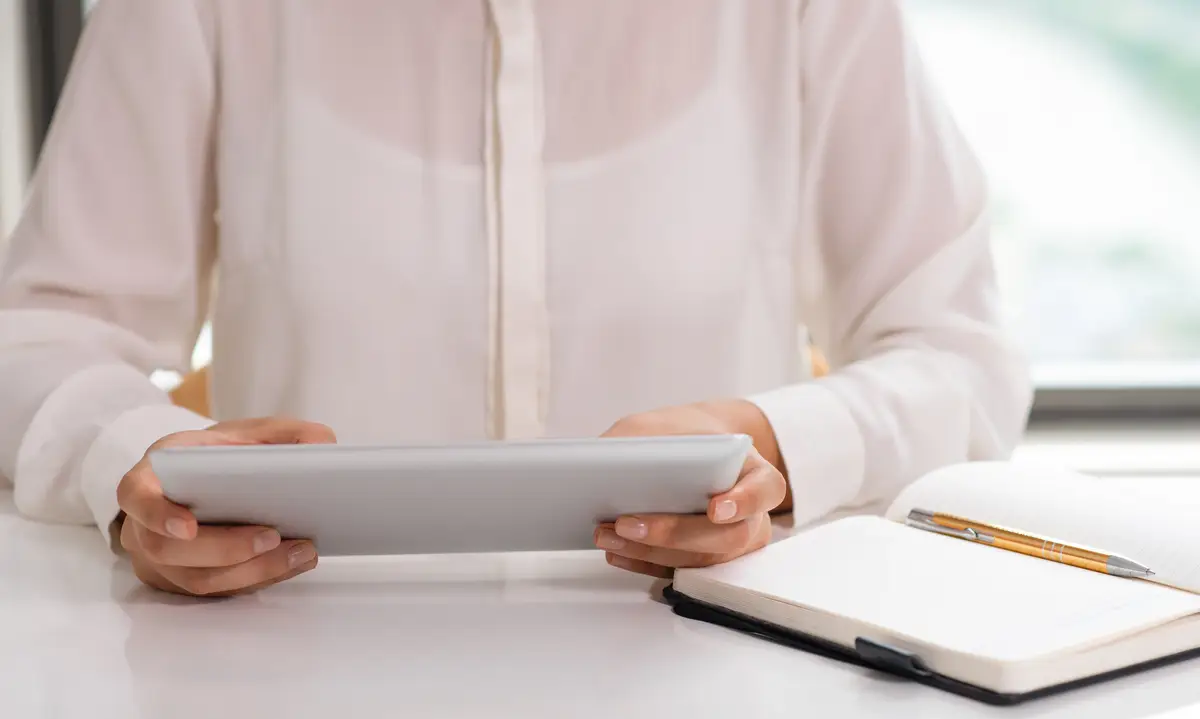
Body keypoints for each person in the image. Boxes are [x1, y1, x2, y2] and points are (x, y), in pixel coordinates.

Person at [0, 0, 1031, 597]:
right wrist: (132, 470)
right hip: (289, 702)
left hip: (718, 702)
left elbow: (961, 354)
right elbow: (38, 334)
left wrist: (773, 444)